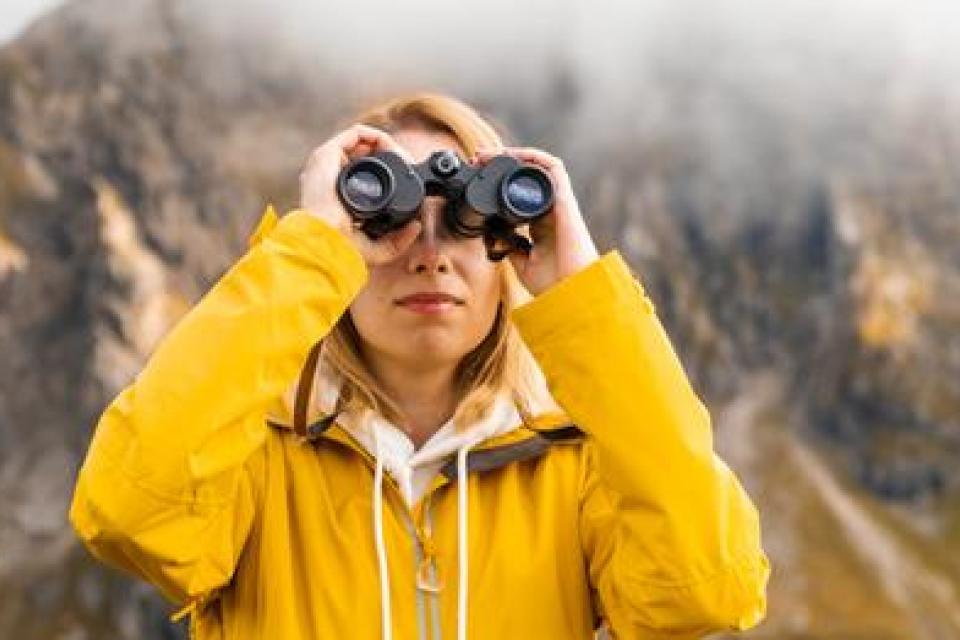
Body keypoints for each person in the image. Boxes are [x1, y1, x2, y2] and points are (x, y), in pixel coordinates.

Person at [69, 92, 770, 639]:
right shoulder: (252, 458)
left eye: (465, 221)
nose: (429, 255)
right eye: (387, 221)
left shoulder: (575, 465)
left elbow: (709, 587)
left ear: (508, 246)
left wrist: (582, 296)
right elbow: (128, 511)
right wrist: (311, 250)